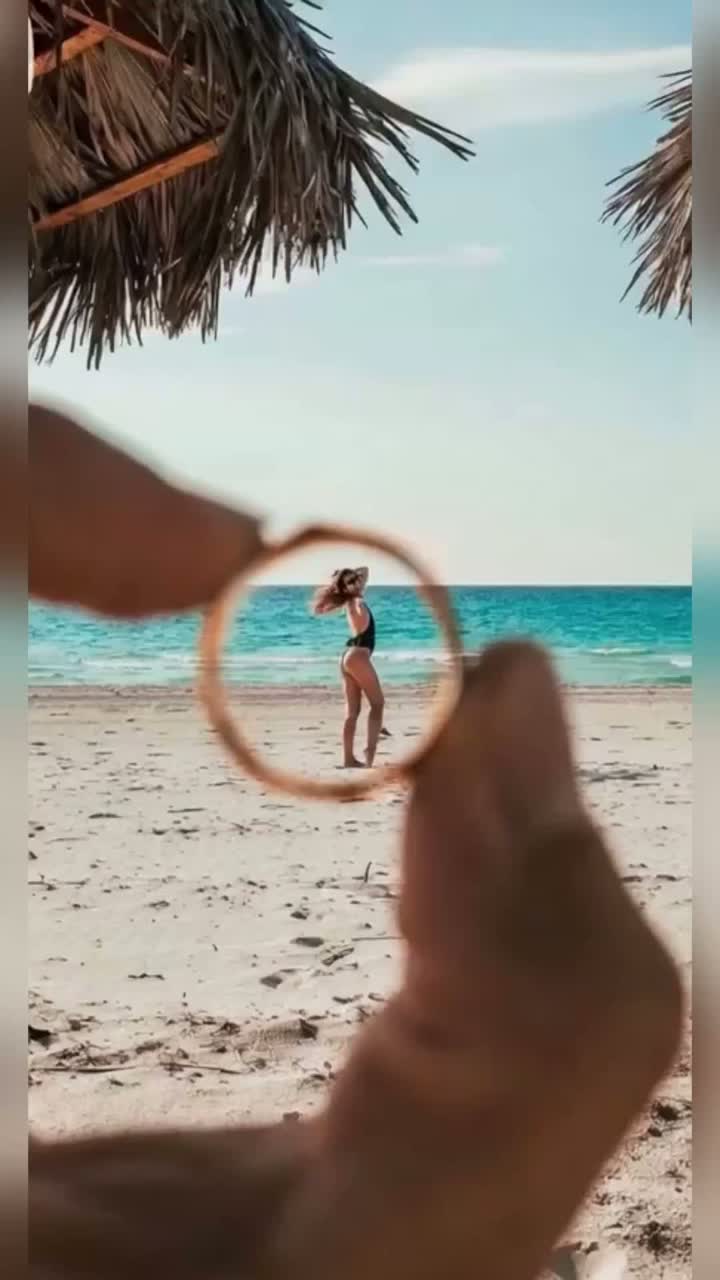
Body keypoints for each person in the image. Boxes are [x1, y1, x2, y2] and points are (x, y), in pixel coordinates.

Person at [311, 566, 387, 768]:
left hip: (348, 657)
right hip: (358, 657)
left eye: (356, 580)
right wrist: (350, 585)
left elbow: (365, 570)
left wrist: (345, 578)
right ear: (346, 588)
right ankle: (369, 753)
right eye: (352, 582)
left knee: (352, 712)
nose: (358, 582)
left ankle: (348, 759)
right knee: (378, 704)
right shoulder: (357, 602)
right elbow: (361, 587)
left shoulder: (350, 600)